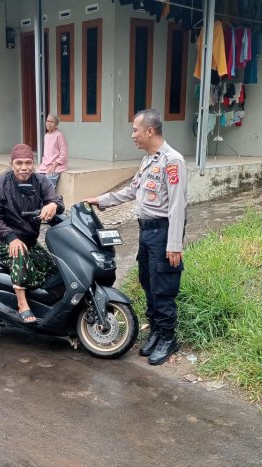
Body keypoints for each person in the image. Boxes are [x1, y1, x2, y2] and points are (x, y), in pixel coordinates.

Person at [84, 109, 187, 365]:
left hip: (163, 233)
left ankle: (168, 337)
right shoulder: (148, 159)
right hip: (146, 232)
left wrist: (174, 245)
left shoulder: (172, 161)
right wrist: (102, 200)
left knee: (163, 287)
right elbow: (133, 190)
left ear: (150, 131)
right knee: (148, 283)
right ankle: (156, 330)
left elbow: (177, 206)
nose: (133, 135)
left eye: (135, 130)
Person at [0, 144, 64, 323]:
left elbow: (56, 200)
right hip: (3, 239)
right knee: (20, 253)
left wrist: (53, 205)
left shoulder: (41, 181)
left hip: (30, 239)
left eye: (28, 163)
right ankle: (22, 304)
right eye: (19, 163)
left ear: (34, 163)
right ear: (11, 164)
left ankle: (44, 301)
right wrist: (11, 238)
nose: (24, 167)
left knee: (52, 267)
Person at [36, 113, 68, 187]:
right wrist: (43, 164)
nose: (48, 123)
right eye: (47, 121)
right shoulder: (46, 136)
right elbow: (46, 153)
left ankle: (50, 198)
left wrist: (54, 165)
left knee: (48, 183)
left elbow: (64, 154)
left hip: (57, 165)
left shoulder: (59, 135)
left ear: (56, 124)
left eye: (51, 122)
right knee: (35, 179)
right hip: (46, 165)